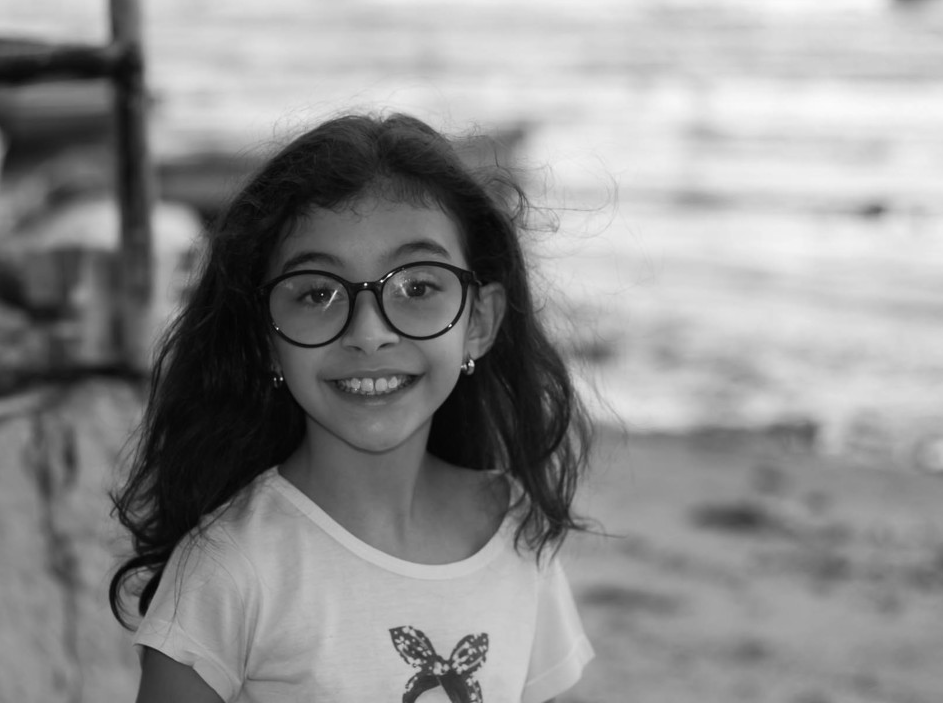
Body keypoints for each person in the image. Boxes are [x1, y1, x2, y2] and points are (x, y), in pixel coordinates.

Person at [109, 112, 596, 702]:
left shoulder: (517, 530)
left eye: (417, 288)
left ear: (479, 322)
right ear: (265, 338)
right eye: (318, 293)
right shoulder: (229, 568)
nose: (369, 334)